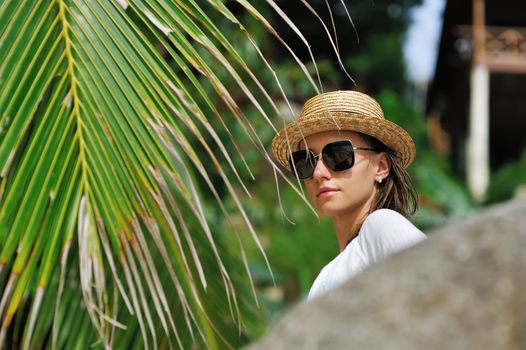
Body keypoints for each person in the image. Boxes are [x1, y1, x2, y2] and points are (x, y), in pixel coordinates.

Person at [271, 90, 426, 300]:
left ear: (380, 166)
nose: (318, 173)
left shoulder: (382, 225)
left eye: (337, 155)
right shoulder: (330, 273)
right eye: (305, 161)